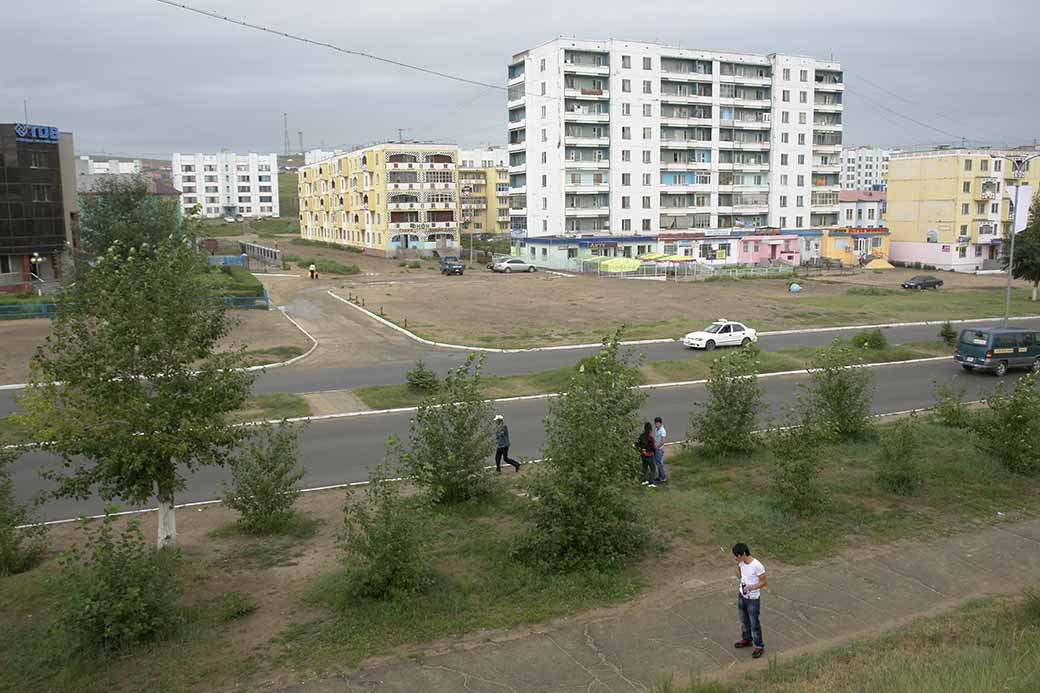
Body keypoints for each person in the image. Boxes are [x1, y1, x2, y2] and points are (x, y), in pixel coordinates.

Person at [732, 542, 767, 658]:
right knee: (743, 621)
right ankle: (747, 640)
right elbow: (739, 576)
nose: (735, 558)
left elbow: (763, 582)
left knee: (754, 623)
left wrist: (752, 587)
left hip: (753, 599)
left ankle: (759, 646)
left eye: (736, 556)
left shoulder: (757, 565)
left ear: (742, 554)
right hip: (742, 596)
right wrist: (737, 565)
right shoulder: (741, 563)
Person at [636, 422, 657, 488]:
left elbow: (637, 444)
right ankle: (651, 482)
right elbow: (653, 447)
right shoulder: (651, 438)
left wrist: (641, 451)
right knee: (653, 469)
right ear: (650, 430)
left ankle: (644, 480)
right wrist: (655, 453)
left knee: (644, 468)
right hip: (650, 455)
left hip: (643, 454)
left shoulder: (641, 436)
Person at [653, 416, 667, 484]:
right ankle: (660, 477)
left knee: (660, 464)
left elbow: (663, 441)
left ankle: (663, 478)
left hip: (659, 449)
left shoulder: (662, 430)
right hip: (656, 448)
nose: (656, 425)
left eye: (657, 423)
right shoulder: (656, 429)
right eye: (655, 423)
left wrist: (657, 447)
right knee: (658, 464)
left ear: (660, 423)